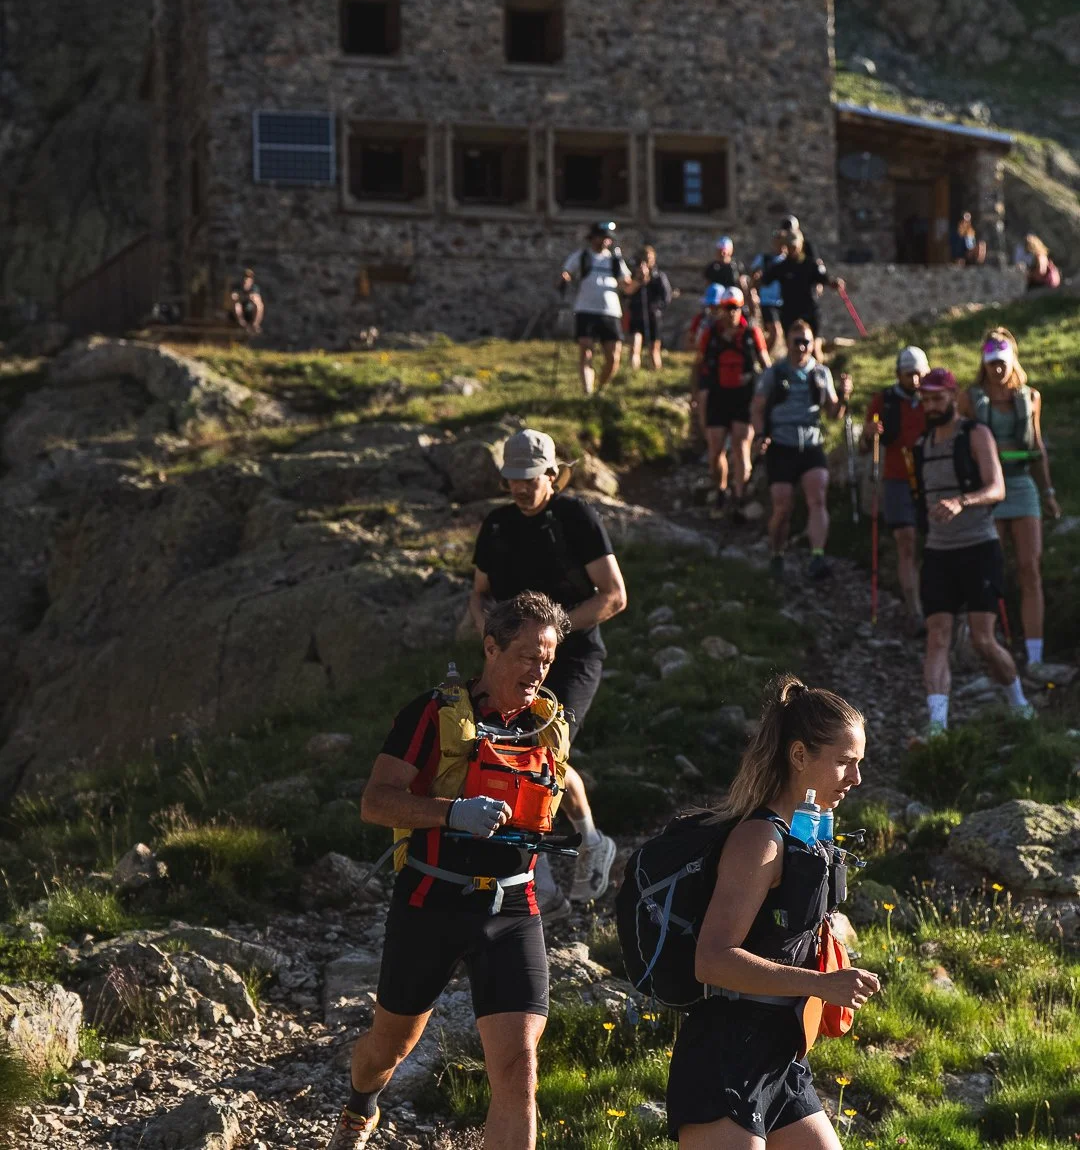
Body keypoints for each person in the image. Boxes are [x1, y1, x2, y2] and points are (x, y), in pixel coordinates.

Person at [323, 591, 572, 1150]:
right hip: (432, 903)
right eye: (528, 656)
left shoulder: (546, 726)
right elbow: (375, 801)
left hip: (512, 908)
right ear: (491, 647)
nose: (539, 671)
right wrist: (452, 812)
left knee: (519, 1068)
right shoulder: (432, 715)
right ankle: (360, 1106)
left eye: (548, 660)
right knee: (387, 1049)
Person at [666, 674, 879, 1149]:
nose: (856, 778)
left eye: (859, 763)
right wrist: (821, 986)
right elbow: (713, 959)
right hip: (724, 1055)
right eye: (845, 762)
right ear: (800, 755)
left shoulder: (806, 837)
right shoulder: (759, 840)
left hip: (781, 1056)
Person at [469, 429, 627, 917]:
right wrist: (493, 643)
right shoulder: (496, 526)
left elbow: (614, 595)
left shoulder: (575, 518)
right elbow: (479, 594)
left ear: (553, 476)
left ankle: (587, 843)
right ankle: (540, 883)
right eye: (511, 478)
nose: (519, 487)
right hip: (511, 656)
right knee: (504, 750)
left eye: (529, 478)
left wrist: (551, 635)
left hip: (574, 655)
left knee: (541, 749)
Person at [913, 367, 1032, 735]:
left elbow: (997, 488)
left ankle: (1020, 704)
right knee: (937, 636)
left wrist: (962, 502)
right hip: (938, 552)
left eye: (937, 398)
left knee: (982, 639)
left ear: (953, 397)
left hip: (979, 547)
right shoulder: (921, 445)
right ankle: (937, 727)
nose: (931, 406)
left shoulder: (975, 434)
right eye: (925, 399)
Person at [959, 330, 1061, 680]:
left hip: (1020, 485)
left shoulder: (1030, 397)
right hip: (988, 489)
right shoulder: (970, 400)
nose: (997, 370)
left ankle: (1034, 654)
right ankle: (990, 647)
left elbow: (1038, 448)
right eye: (991, 365)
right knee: (991, 570)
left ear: (1012, 361)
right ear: (983, 365)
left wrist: (1047, 493)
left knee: (1029, 568)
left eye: (1002, 364)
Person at [751, 320, 852, 582]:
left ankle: (817, 555)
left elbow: (833, 414)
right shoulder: (774, 373)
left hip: (810, 443)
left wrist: (843, 396)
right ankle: (777, 551)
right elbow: (757, 407)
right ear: (788, 342)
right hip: (781, 444)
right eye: (797, 341)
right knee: (782, 505)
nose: (802, 347)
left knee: (817, 495)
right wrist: (761, 435)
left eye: (806, 341)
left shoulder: (821, 374)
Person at [861, 346, 929, 630]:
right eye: (908, 375)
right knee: (906, 539)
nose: (914, 381)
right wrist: (869, 434)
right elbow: (867, 443)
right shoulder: (883, 401)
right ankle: (914, 608)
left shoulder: (933, 397)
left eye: (918, 374)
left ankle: (931, 602)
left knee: (931, 542)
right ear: (898, 374)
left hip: (929, 477)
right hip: (896, 477)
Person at [700, 287, 771, 516]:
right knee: (715, 450)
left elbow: (766, 363)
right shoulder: (711, 334)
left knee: (741, 448)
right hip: (718, 395)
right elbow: (699, 365)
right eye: (727, 307)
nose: (730, 312)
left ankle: (740, 496)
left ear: (741, 308)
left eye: (735, 308)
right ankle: (720, 490)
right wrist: (697, 395)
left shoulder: (752, 334)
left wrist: (769, 393)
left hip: (744, 397)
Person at [559, 220, 632, 394]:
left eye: (608, 238)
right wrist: (564, 278)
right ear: (593, 238)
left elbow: (626, 284)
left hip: (611, 311)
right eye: (603, 237)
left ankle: (601, 388)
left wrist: (637, 280)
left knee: (613, 356)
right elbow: (567, 272)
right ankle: (587, 391)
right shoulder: (582, 256)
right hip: (586, 309)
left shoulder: (616, 260)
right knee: (586, 351)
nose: (606, 241)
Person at [758, 217, 845, 363]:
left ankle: (818, 377)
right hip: (790, 311)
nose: (792, 250)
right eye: (789, 246)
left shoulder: (809, 264)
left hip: (809, 310)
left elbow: (823, 277)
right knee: (792, 349)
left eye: (794, 246)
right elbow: (765, 280)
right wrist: (756, 280)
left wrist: (833, 283)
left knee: (814, 349)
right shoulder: (781, 267)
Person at [625, 245, 673, 371]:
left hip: (653, 316)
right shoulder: (634, 276)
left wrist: (657, 308)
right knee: (634, 346)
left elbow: (665, 297)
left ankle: (655, 372)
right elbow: (627, 292)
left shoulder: (659, 277)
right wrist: (639, 279)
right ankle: (633, 373)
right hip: (637, 314)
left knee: (654, 348)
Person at [688, 284, 725, 441]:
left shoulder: (736, 327)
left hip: (726, 376)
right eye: (710, 305)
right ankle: (708, 443)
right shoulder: (701, 320)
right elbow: (692, 345)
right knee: (704, 408)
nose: (713, 309)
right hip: (707, 372)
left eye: (716, 305)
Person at [749, 233, 786, 356]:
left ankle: (759, 353)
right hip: (767, 301)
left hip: (783, 302)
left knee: (777, 333)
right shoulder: (765, 259)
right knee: (775, 332)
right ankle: (762, 357)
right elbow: (753, 277)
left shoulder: (788, 261)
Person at [231, 267, 264, 335]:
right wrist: (245, 297)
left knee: (259, 305)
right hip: (239, 313)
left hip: (250, 311)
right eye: (245, 278)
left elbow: (256, 298)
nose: (246, 280)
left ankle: (255, 324)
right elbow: (234, 297)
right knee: (237, 305)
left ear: (251, 280)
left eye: (248, 278)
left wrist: (244, 297)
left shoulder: (254, 288)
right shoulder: (237, 287)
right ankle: (243, 325)